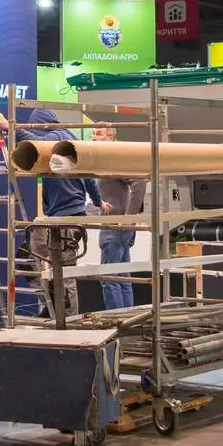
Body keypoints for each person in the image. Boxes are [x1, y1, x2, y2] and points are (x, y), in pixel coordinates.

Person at [0, 106, 101, 318]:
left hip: (68, 218)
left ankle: (67, 318)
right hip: (59, 217)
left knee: (64, 270)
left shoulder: (57, 137)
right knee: (28, 257)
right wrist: (98, 202)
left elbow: (37, 141)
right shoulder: (71, 141)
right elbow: (90, 179)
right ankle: (51, 306)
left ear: (43, 125)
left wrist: (9, 127)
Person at [91, 123, 147, 312]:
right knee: (122, 276)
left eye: (99, 133)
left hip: (114, 227)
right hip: (118, 227)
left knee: (110, 278)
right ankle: (126, 319)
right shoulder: (109, 161)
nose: (94, 137)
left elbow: (140, 180)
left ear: (111, 138)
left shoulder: (113, 161)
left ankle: (116, 321)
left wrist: (130, 216)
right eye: (93, 134)